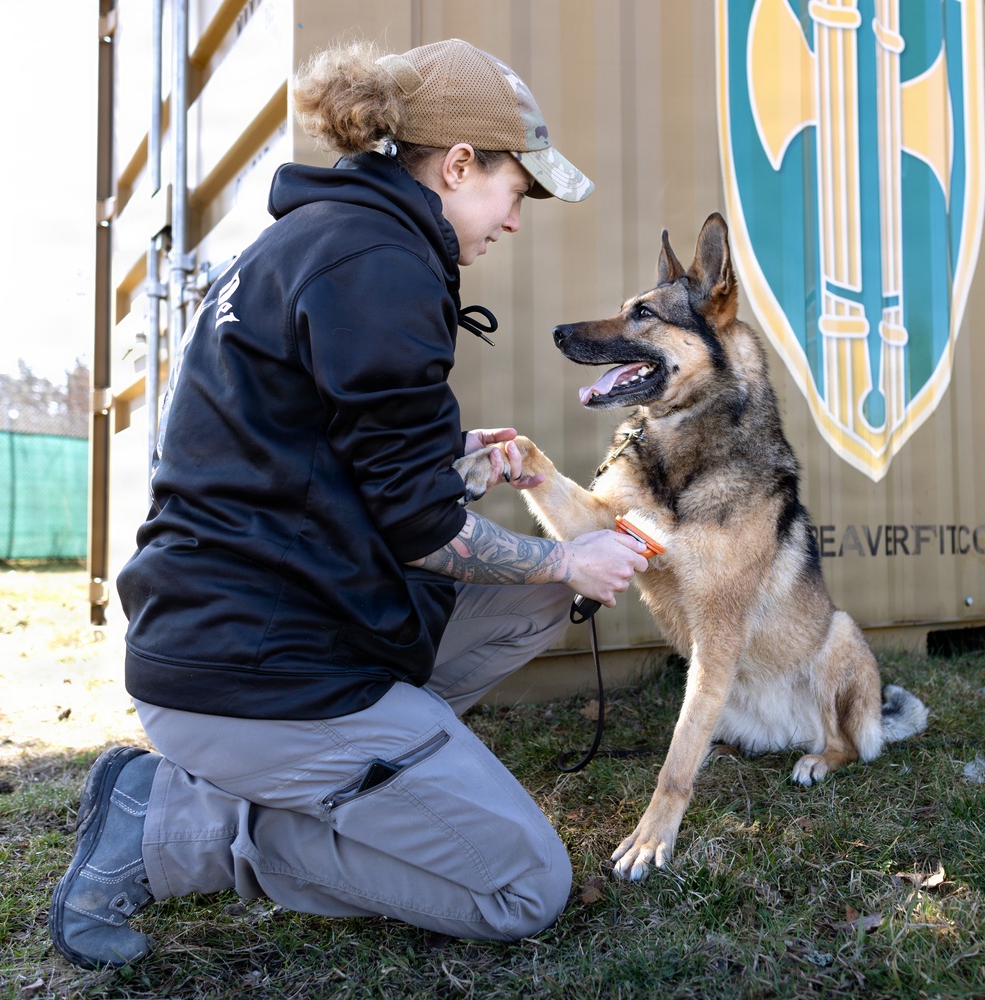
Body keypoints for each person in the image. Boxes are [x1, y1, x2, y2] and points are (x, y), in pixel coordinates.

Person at [48, 37, 648, 970]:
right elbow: (416, 531)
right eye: (514, 190)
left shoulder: (327, 241)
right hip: (254, 667)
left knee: (533, 597)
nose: (516, 219)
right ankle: (178, 825)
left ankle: (379, 769)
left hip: (257, 628)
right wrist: (566, 557)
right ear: (457, 165)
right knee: (524, 889)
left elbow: (306, 464)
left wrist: (444, 464)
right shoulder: (382, 264)